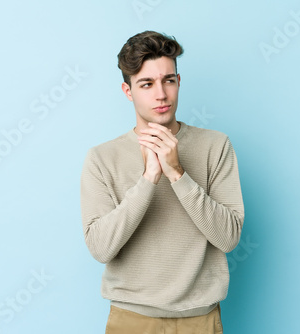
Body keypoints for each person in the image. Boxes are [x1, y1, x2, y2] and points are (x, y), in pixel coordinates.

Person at [80, 30, 245, 334]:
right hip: (131, 319)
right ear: (128, 91)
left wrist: (177, 174)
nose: (161, 94)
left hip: (200, 318)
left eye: (168, 80)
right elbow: (101, 249)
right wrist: (148, 180)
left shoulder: (216, 146)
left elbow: (229, 238)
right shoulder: (102, 158)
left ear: (178, 82)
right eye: (147, 84)